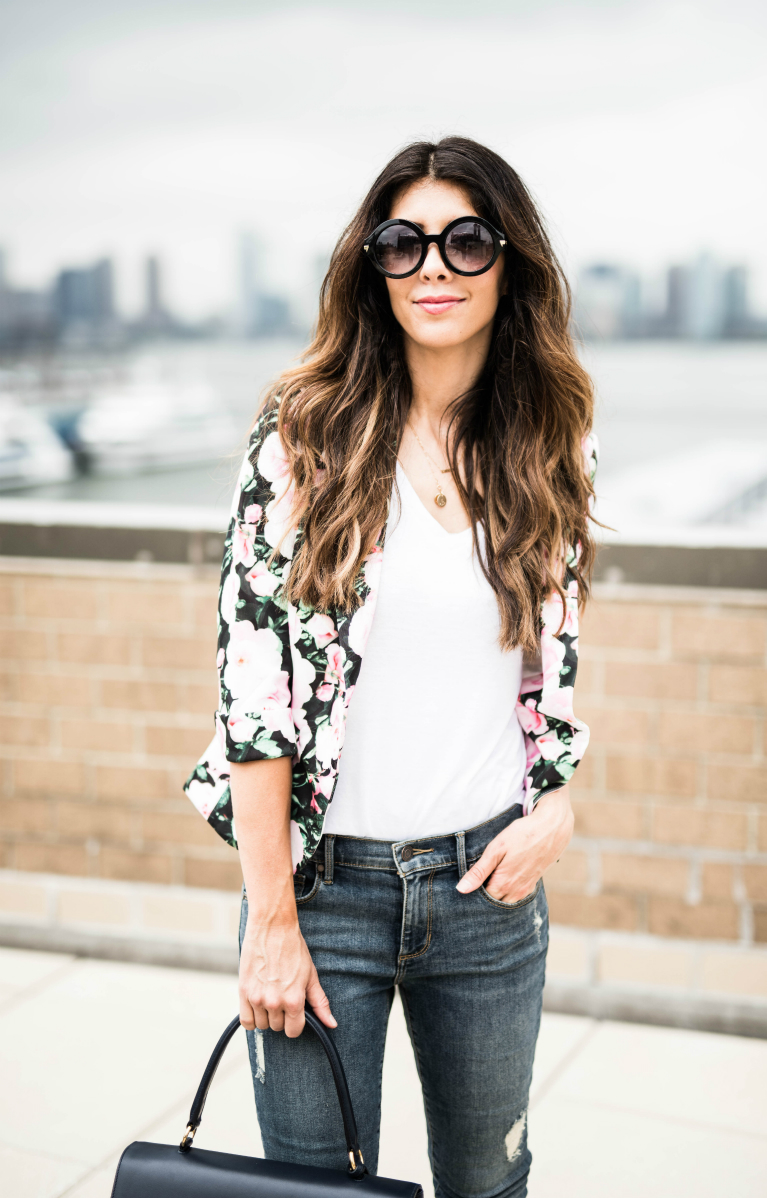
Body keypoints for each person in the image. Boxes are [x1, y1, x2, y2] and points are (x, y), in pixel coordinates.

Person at [185, 135, 597, 1198]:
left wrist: (555, 802)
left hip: (485, 891)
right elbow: (255, 699)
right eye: (401, 243)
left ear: (509, 263)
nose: (433, 267)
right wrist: (270, 919)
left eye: (465, 241)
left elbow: (548, 676)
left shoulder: (546, 439)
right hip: (323, 896)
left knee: (487, 1182)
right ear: (370, 266)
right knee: (317, 1190)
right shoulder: (303, 434)